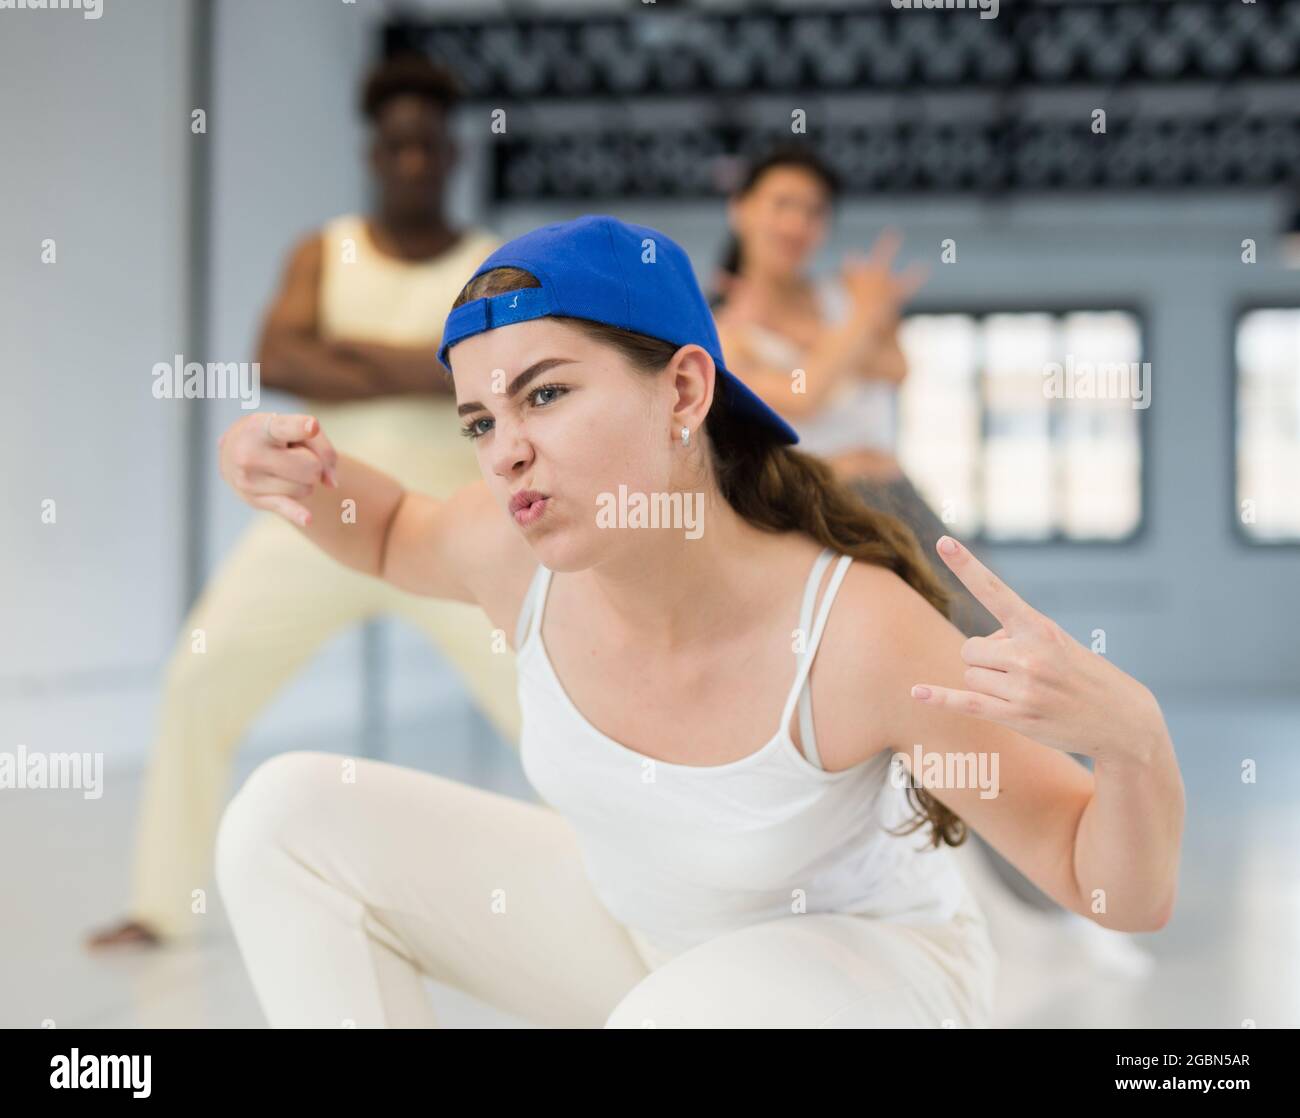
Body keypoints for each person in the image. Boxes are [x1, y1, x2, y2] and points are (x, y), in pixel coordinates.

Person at [208, 214, 1183, 1028]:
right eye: (481, 421)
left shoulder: (857, 631)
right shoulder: (513, 552)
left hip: (871, 973)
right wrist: (291, 469)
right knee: (288, 817)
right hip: (642, 936)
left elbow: (1110, 887)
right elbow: (384, 530)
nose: (505, 450)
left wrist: (1134, 743)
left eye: (544, 393)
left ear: (682, 388)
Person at [85, 55, 518, 951]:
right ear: (373, 154)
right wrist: (434, 363)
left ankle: (632, 889)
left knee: (551, 699)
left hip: (448, 531)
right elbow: (278, 360)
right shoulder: (325, 251)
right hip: (317, 520)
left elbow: (494, 379)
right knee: (200, 678)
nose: (411, 162)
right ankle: (159, 904)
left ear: (453, 156)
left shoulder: (492, 265)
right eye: (395, 145)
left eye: (427, 146)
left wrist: (354, 355)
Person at [709, 146, 1158, 976]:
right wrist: (860, 320)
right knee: (935, 704)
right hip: (829, 517)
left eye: (812, 210)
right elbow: (801, 395)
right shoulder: (727, 329)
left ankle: (1075, 881)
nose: (797, 225)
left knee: (1010, 668)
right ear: (742, 211)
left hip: (905, 502)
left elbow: (891, 365)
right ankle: (1020, 896)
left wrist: (852, 330)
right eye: (780, 205)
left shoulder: (838, 303)